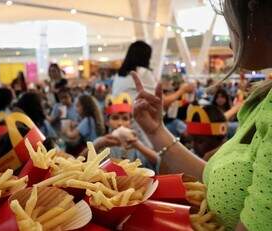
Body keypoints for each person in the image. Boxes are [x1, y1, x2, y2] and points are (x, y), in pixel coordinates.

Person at [130, 0, 272, 227]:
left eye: (228, 21)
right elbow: (218, 177)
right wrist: (156, 131)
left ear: (254, 11)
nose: (228, 42)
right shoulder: (264, 99)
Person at [93, 93, 159, 172]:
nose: (120, 123)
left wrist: (137, 145)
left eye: (125, 119)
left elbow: (158, 161)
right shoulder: (102, 141)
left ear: (130, 122)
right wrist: (98, 144)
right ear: (107, 122)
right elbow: (80, 159)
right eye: (115, 118)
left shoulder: (137, 142)